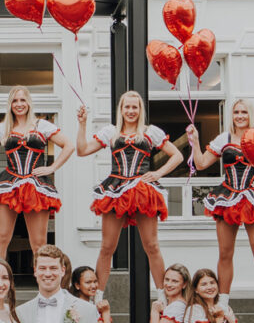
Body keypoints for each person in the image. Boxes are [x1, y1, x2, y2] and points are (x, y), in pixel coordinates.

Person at [74, 92, 182, 294]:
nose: (131, 111)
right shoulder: (111, 132)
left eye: (135, 107)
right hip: (115, 190)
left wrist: (157, 173)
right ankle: (97, 298)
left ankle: (162, 297)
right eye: (127, 107)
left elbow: (177, 156)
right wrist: (82, 124)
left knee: (152, 246)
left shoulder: (150, 132)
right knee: (107, 247)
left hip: (142, 190)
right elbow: (82, 150)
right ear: (121, 110)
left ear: (140, 110)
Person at [186, 98, 254, 293]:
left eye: (244, 112)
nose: (240, 116)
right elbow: (201, 163)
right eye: (236, 112)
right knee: (225, 253)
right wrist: (195, 141)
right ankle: (223, 305)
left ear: (250, 115)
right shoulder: (224, 139)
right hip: (228, 199)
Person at [0, 86, 75, 258]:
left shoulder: (42, 125)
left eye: (23, 100)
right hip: (9, 185)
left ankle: (44, 284)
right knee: (1, 238)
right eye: (15, 100)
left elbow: (69, 145)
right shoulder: (4, 128)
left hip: (36, 187)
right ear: (10, 104)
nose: (19, 104)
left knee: (39, 242)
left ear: (29, 103)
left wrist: (52, 168)